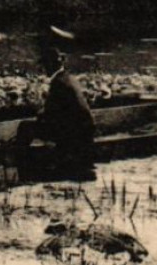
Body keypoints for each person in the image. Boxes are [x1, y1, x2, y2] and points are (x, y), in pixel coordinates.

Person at [12, 29, 96, 168]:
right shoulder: (68, 77)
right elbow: (60, 110)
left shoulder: (58, 83)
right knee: (37, 125)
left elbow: (52, 114)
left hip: (75, 132)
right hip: (84, 128)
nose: (44, 69)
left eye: (45, 66)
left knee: (25, 127)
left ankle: (18, 158)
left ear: (51, 65)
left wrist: (40, 117)